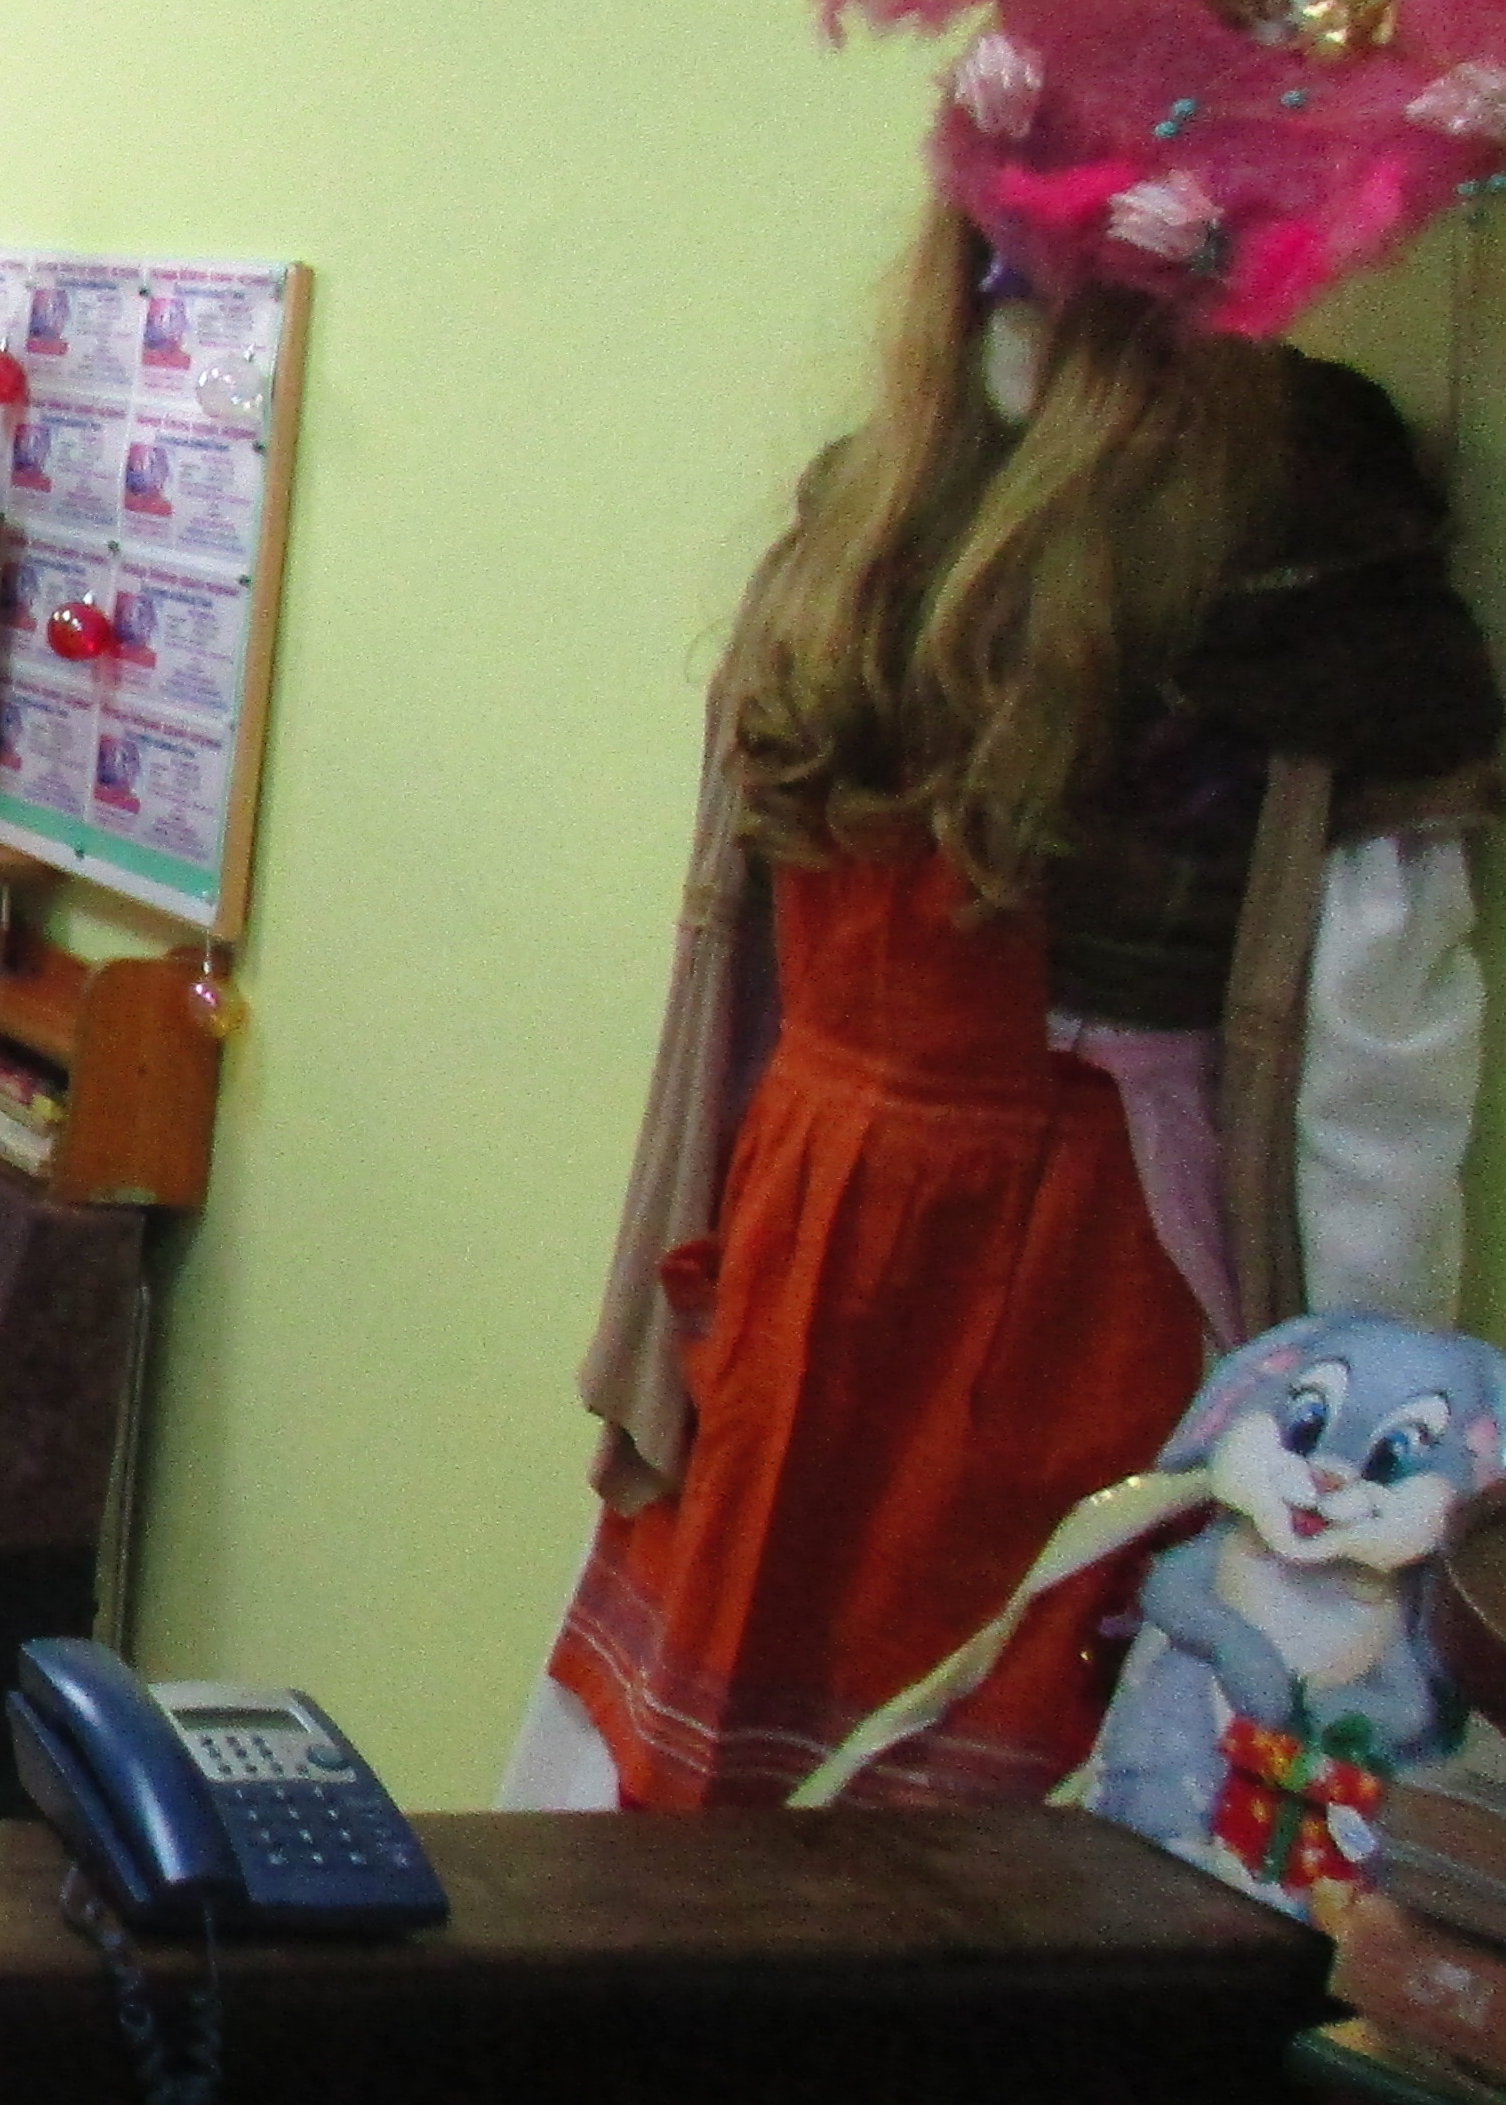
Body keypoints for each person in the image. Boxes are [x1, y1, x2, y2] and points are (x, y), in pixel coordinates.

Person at [509, 199, 1495, 1816]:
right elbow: (1377, 1114)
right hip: (880, 1250)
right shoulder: (917, 530)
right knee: (903, 1815)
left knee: (912, 1783)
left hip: (958, 1261)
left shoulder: (894, 527)